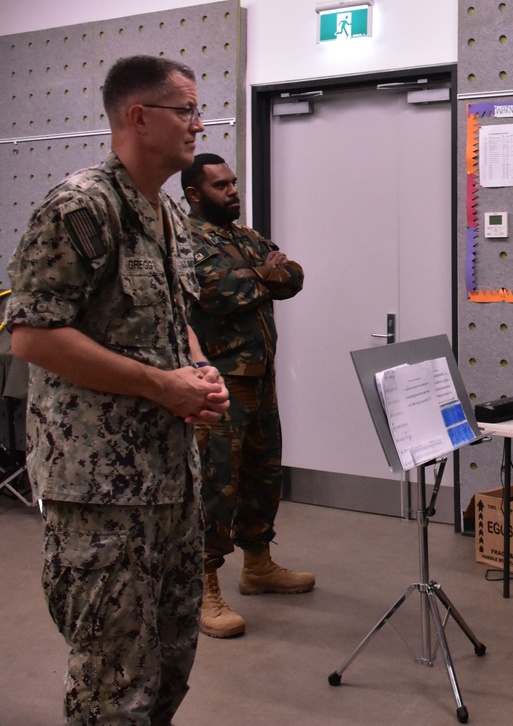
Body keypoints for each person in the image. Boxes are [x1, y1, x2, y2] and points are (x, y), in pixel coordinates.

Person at [4, 55, 230, 724]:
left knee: (167, 670)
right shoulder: (82, 205)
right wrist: (162, 386)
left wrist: (199, 365)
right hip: (101, 493)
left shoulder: (168, 216)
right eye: (186, 110)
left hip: (168, 483)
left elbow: (168, 315)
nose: (199, 123)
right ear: (139, 117)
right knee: (113, 684)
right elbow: (33, 335)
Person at [181, 153, 312, 639]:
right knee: (216, 485)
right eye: (220, 186)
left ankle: (258, 566)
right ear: (195, 194)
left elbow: (294, 275)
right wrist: (263, 274)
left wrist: (259, 273)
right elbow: (217, 293)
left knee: (263, 472)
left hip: (261, 377)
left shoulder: (243, 236)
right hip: (220, 383)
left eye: (233, 183)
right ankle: (203, 586)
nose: (232, 192)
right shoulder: (187, 240)